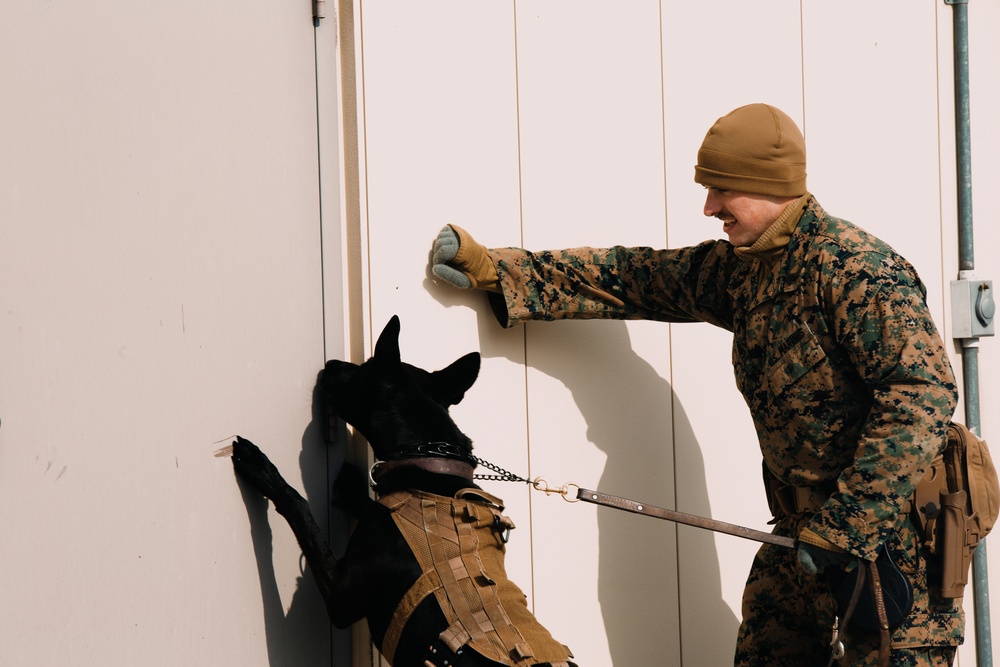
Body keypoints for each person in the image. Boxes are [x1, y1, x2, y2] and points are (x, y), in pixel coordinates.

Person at [428, 103, 963, 666]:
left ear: (765, 185)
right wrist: (499, 270)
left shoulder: (855, 270)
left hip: (890, 539)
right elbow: (634, 278)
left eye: (721, 190)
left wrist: (850, 524)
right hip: (801, 534)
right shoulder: (745, 270)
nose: (710, 208)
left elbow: (920, 394)